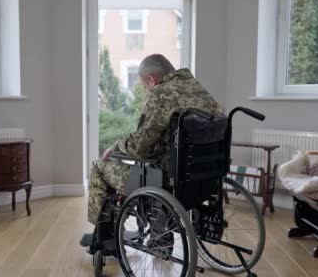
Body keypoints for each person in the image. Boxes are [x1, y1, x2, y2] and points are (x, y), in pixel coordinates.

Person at [86, 54, 224, 225]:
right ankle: (160, 236)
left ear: (151, 79)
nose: (147, 92)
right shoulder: (198, 89)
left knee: (99, 167)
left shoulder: (161, 93)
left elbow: (140, 147)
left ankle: (101, 235)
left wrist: (116, 147)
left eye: (146, 88)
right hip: (206, 177)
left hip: (166, 180)